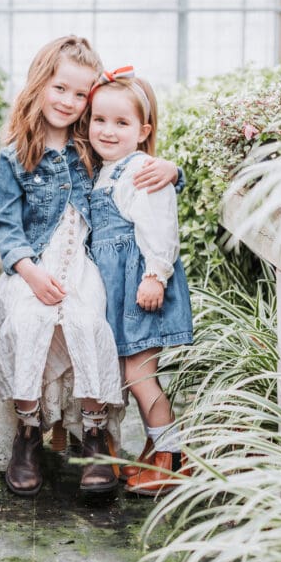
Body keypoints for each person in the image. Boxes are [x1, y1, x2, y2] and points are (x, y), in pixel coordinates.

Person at [0, 36, 179, 498]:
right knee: (26, 322)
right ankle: (28, 432)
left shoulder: (90, 142)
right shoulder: (15, 152)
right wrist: (29, 272)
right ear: (39, 83)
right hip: (31, 268)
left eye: (81, 95)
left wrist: (172, 168)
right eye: (60, 89)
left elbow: (134, 164)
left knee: (86, 323)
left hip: (84, 267)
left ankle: (94, 435)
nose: (69, 103)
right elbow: (6, 227)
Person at [87, 67, 193, 496]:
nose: (108, 131)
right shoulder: (106, 168)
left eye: (122, 123)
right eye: (100, 120)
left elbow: (160, 230)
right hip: (117, 290)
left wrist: (155, 276)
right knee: (129, 370)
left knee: (139, 373)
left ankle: (174, 458)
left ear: (143, 129)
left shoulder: (144, 171)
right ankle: (156, 449)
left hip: (140, 288)